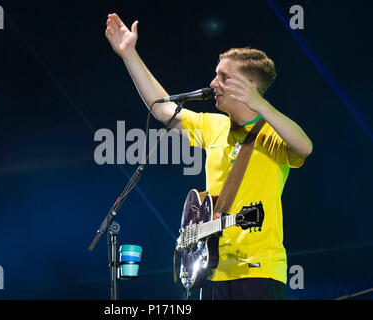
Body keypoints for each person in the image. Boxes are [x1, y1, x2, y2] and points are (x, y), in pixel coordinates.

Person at [105, 13, 312, 300]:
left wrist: (261, 106)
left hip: (258, 272)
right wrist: (129, 54)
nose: (213, 82)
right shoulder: (214, 125)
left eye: (223, 77)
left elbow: (304, 147)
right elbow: (163, 109)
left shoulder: (273, 132)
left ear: (249, 86)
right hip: (209, 271)